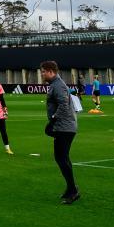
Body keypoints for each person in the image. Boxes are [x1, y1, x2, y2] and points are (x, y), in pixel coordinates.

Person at [41, 61, 79, 204]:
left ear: (51, 71)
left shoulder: (58, 85)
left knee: (61, 158)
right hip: (63, 126)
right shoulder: (55, 84)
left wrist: (53, 120)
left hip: (65, 127)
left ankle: (73, 190)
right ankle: (71, 189)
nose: (42, 74)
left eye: (44, 71)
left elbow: (63, 105)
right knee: (62, 158)